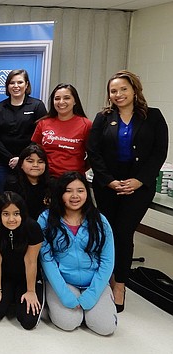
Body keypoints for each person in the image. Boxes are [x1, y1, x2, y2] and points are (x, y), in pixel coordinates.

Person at [87, 70, 168, 313]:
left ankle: (120, 283)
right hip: (108, 187)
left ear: (134, 90)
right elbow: (94, 151)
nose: (118, 94)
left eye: (123, 89)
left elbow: (159, 153)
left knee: (124, 232)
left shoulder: (153, 117)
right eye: (113, 90)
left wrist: (140, 180)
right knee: (107, 233)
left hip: (138, 188)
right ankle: (104, 278)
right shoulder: (103, 118)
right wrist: (108, 180)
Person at [38, 172, 116, 335]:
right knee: (68, 323)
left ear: (87, 193)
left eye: (80, 190)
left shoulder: (100, 221)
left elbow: (107, 261)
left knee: (105, 328)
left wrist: (92, 296)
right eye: (68, 190)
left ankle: (95, 308)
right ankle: (50, 303)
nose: (75, 196)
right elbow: (47, 260)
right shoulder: (46, 219)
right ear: (60, 194)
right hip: (63, 281)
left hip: (94, 281)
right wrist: (64, 295)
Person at [0, 192, 44, 330]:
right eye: (6, 214)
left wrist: (30, 291)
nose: (12, 219)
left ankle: (17, 296)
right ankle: (9, 296)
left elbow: (31, 261)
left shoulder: (32, 228)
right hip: (5, 276)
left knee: (28, 322)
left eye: (16, 213)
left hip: (27, 278)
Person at [0, 69, 47, 192]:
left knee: (26, 197)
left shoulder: (37, 106)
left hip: (29, 162)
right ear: (7, 86)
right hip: (2, 162)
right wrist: (9, 158)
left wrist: (21, 158)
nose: (16, 86)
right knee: (1, 197)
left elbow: (40, 135)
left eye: (20, 82)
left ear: (26, 85)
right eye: (12, 83)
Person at [31, 83, 91, 177]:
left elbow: (93, 155)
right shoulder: (43, 123)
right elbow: (36, 152)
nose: (61, 102)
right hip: (46, 178)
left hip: (73, 180)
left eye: (66, 98)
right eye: (57, 98)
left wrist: (80, 169)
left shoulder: (86, 124)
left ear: (75, 101)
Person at [4, 144, 50, 218]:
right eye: (30, 161)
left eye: (40, 162)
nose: (35, 165)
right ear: (21, 164)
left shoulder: (51, 185)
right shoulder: (12, 184)